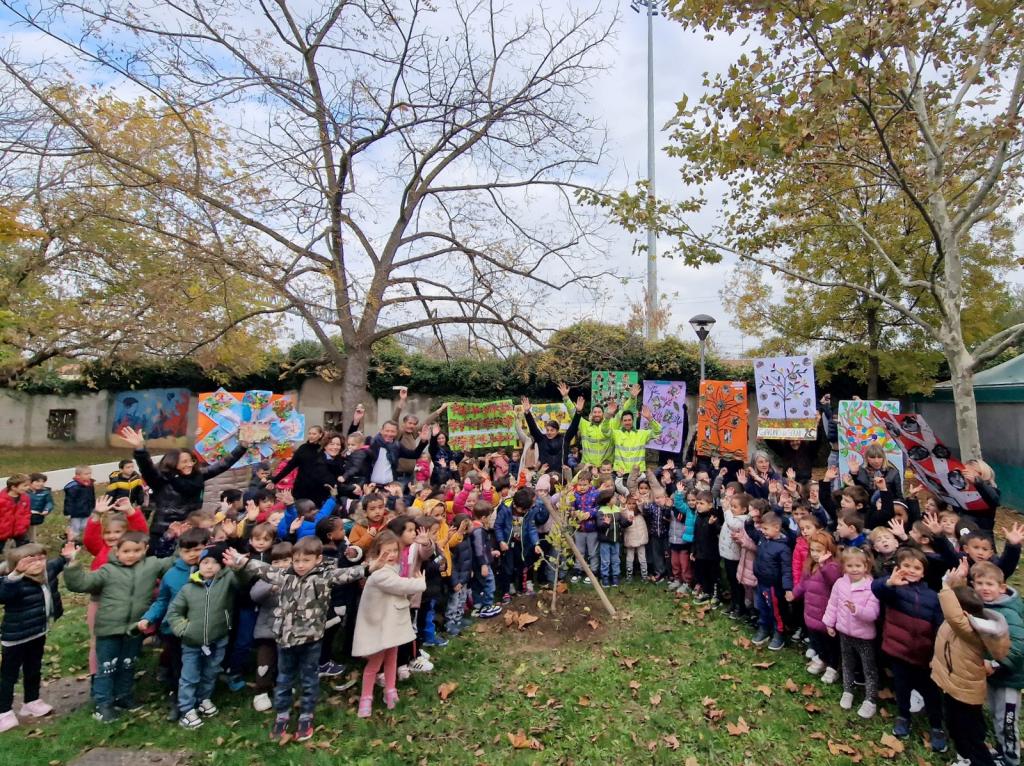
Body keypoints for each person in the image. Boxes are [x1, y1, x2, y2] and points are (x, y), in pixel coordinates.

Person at [223, 537, 368, 743]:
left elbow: (350, 573)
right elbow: (260, 568)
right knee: (284, 679)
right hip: (286, 640)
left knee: (309, 679)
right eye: (297, 560)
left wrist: (371, 567)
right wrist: (240, 560)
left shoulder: (324, 577)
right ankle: (282, 715)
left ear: (317, 560)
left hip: (312, 640)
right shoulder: (283, 576)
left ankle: (306, 716)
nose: (300, 565)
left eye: (306, 560)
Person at [64, 531, 175, 722]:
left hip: (134, 628)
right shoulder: (108, 571)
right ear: (117, 551)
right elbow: (81, 583)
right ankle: (103, 703)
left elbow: (176, 560)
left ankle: (124, 697)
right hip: (109, 628)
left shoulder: (151, 565)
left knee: (127, 664)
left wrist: (179, 539)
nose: (131, 555)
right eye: (126, 551)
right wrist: (72, 563)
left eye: (136, 550)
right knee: (106, 667)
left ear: (145, 549)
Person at [119, 426, 247, 554]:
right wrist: (140, 449)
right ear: (173, 463)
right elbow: (147, 468)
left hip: (192, 531)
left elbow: (223, 464)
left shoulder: (198, 476)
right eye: (184, 462)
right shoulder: (161, 480)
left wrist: (242, 446)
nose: (189, 464)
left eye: (191, 460)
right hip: (164, 532)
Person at [931, 561, 1009, 766]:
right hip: (952, 684)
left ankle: (981, 761)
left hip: (965, 690)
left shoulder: (974, 628)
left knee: (971, 734)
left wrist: (947, 586)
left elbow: (953, 615)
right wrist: (958, 583)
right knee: (956, 727)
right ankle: (965, 758)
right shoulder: (965, 619)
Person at [871, 548, 947, 751]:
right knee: (902, 687)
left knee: (931, 692)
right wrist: (889, 582)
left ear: (923, 572)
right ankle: (903, 716)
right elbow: (876, 588)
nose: (911, 571)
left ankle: (937, 726)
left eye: (916, 568)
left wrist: (937, 654)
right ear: (898, 568)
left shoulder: (933, 596)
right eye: (906, 566)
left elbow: (940, 626)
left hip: (925, 655)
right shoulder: (894, 589)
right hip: (899, 651)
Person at [166, 542, 245, 729]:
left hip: (218, 639)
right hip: (192, 641)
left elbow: (242, 581)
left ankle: (204, 699)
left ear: (222, 566)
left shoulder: (227, 581)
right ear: (198, 565)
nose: (209, 566)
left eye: (214, 563)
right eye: (205, 562)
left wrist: (238, 566)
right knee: (189, 675)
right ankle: (187, 709)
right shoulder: (188, 588)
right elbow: (174, 612)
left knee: (211, 672)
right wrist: (182, 629)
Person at [0, 541, 74, 732]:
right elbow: (3, 596)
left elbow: (59, 562)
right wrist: (15, 575)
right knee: (9, 675)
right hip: (16, 637)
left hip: (38, 632)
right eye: (30, 561)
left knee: (34, 669)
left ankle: (31, 701)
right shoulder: (12, 581)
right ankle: (4, 712)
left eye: (41, 559)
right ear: (17, 564)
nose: (38, 564)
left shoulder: (47, 571)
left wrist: (67, 555)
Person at [137, 528, 210, 721]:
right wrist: (149, 617)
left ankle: (200, 698)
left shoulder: (213, 572)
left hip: (202, 628)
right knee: (179, 667)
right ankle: (178, 700)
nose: (194, 554)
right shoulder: (172, 575)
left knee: (201, 665)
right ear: (180, 552)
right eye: (188, 551)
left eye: (199, 549)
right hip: (175, 630)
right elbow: (162, 600)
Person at [353, 530, 427, 717]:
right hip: (380, 627)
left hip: (389, 625)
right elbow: (400, 585)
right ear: (377, 553)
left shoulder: (391, 569)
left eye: (395, 550)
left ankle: (390, 690)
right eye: (387, 551)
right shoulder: (380, 573)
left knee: (392, 658)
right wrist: (420, 583)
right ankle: (366, 698)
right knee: (375, 663)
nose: (392, 555)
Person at [972, 560, 1024, 766]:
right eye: (980, 583)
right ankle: (1002, 748)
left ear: (1001, 587)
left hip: (1009, 677)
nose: (984, 588)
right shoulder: (984, 606)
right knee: (995, 712)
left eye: (990, 584)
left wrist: (995, 664)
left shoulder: (1008, 612)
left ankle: (1011, 759)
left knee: (1007, 719)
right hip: (993, 674)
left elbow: (1019, 645)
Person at [822, 546, 880, 716]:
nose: (854, 570)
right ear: (844, 567)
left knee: (868, 668)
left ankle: (870, 700)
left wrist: (857, 610)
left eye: (858, 566)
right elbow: (832, 604)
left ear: (866, 567)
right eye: (850, 566)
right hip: (844, 633)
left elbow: (873, 614)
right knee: (847, 664)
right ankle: (848, 691)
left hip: (864, 636)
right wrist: (829, 623)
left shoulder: (871, 587)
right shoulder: (840, 584)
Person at [249, 542, 293, 713]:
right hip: (267, 631)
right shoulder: (266, 577)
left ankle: (282, 686)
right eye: (276, 562)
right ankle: (261, 691)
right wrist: (270, 588)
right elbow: (254, 594)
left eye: (285, 560)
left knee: (286, 662)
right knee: (264, 663)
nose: (281, 565)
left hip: (288, 631)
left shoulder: (296, 577)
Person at [744, 510, 793, 651]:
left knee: (776, 610)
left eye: (765, 528)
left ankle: (779, 633)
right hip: (761, 582)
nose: (762, 531)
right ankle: (764, 628)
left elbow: (786, 570)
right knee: (762, 607)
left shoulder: (783, 548)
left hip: (774, 587)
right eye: (762, 528)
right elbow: (750, 530)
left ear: (776, 528)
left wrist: (788, 588)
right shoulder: (762, 539)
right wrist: (749, 518)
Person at [391, 388, 450, 485]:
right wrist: (402, 400)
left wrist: (441, 409)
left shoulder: (412, 433)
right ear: (404, 423)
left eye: (414, 424)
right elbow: (394, 419)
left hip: (410, 475)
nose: (412, 426)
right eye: (410, 423)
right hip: (399, 475)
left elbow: (426, 422)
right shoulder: (398, 433)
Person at [521, 395, 582, 477]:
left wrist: (578, 413)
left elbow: (573, 427)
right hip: (545, 475)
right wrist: (527, 413)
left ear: (557, 430)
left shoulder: (564, 439)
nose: (549, 432)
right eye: (547, 430)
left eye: (552, 430)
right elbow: (533, 428)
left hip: (561, 475)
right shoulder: (541, 439)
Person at [272, 425, 325, 501]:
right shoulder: (303, 448)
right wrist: (275, 480)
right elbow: (290, 466)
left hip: (316, 488)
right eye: (309, 433)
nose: (311, 436)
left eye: (314, 434)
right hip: (301, 487)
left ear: (320, 435)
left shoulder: (323, 450)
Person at [609, 404, 661, 476]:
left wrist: (650, 419)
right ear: (621, 422)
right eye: (625, 420)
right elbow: (604, 430)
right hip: (620, 473)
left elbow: (658, 431)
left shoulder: (642, 433)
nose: (627, 422)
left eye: (629, 420)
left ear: (633, 420)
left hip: (638, 474)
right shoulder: (616, 433)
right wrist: (608, 415)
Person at [690, 490, 722, 604]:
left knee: (713, 574)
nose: (698, 505)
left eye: (701, 503)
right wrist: (693, 550)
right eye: (697, 503)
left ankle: (716, 595)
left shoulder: (714, 516)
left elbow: (716, 532)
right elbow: (696, 534)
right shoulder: (698, 516)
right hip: (700, 552)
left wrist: (711, 525)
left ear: (710, 504)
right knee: (702, 574)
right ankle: (706, 592)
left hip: (712, 553)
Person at [595, 488, 630, 588]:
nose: (615, 498)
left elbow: (622, 523)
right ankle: (605, 578)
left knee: (616, 560)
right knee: (605, 560)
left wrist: (629, 521)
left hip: (616, 540)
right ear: (607, 500)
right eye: (613, 497)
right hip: (605, 541)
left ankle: (615, 577)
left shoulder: (617, 509)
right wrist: (605, 523)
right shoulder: (601, 511)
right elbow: (599, 525)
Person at [62, 466, 96, 541]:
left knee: (84, 526)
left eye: (90, 473)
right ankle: (72, 541)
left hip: (87, 511)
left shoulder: (90, 485)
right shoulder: (74, 487)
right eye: (86, 474)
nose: (89, 475)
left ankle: (72, 535)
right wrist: (68, 512)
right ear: (78, 475)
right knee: (75, 527)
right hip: (75, 512)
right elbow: (69, 501)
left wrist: (93, 507)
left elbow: (92, 497)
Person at [622, 495, 649, 581]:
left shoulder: (640, 512)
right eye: (629, 503)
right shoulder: (626, 513)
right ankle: (629, 575)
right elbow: (622, 511)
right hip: (630, 538)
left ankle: (644, 575)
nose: (631, 505)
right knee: (630, 557)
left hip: (641, 538)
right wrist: (623, 504)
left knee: (642, 557)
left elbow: (643, 507)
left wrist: (639, 500)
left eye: (633, 503)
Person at [26, 474, 53, 542]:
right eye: (37, 481)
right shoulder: (24, 491)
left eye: (43, 481)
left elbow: (49, 502)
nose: (40, 484)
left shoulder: (45, 492)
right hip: (23, 515)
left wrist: (46, 509)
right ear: (30, 482)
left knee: (31, 531)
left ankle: (32, 544)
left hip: (34, 516)